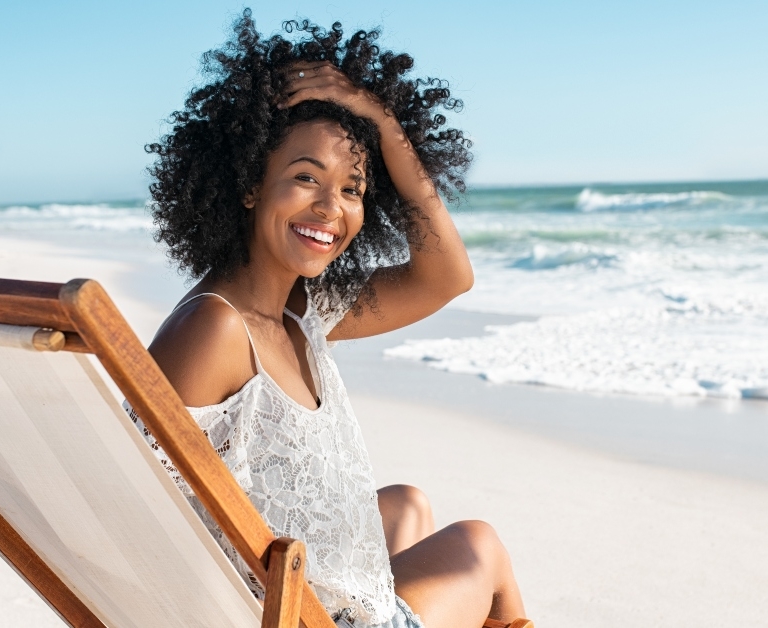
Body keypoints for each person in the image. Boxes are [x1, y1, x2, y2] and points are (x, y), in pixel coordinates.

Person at [132, 11, 526, 628]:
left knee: (407, 506)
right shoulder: (214, 329)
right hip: (287, 615)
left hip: (299, 594)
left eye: (352, 188)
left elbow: (446, 276)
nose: (330, 208)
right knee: (481, 545)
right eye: (305, 177)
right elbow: (144, 515)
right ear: (248, 186)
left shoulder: (300, 311)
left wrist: (384, 124)